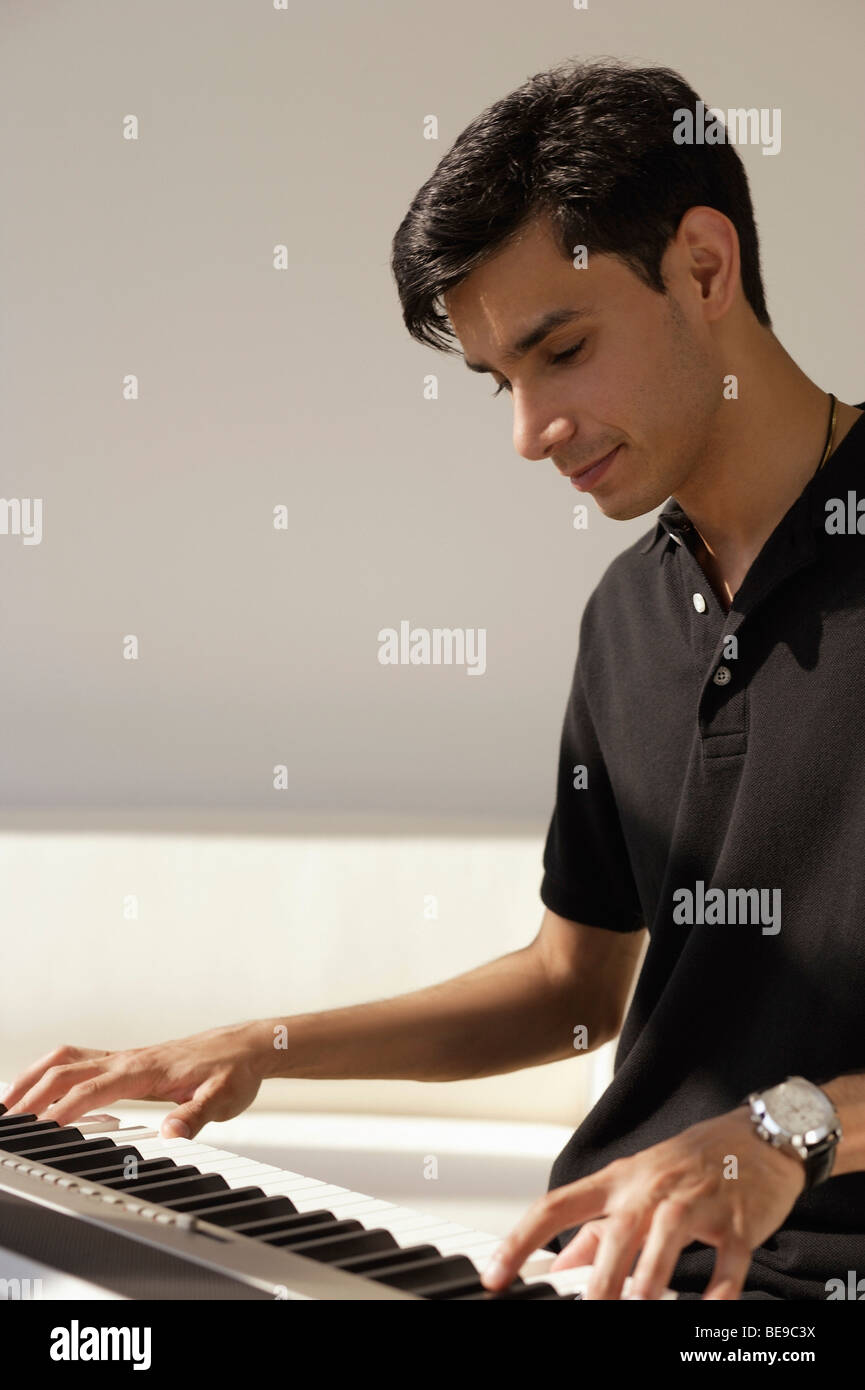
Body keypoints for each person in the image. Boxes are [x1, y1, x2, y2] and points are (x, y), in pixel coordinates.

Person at [4, 58, 864, 1302]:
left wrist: (784, 1132)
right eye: (499, 383)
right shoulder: (629, 614)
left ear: (703, 267)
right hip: (593, 1272)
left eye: (558, 351)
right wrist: (259, 1044)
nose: (528, 432)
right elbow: (569, 990)